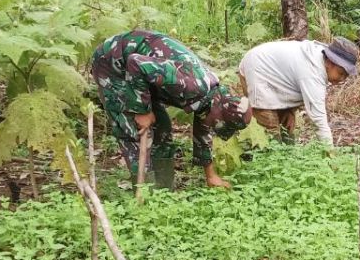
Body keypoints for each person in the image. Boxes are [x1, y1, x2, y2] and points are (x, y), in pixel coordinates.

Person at [91, 29, 252, 189]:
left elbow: (203, 129)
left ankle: (163, 191)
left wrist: (210, 175)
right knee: (135, 130)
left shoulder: (211, 98)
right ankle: (145, 198)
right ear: (218, 116)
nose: (213, 128)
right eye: (218, 126)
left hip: (142, 77)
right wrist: (142, 111)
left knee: (162, 128)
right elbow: (135, 62)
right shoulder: (192, 84)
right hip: (114, 64)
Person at [237, 36, 359, 144]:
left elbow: (292, 78)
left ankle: (287, 159)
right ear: (330, 62)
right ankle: (266, 163)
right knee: (270, 132)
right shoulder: (312, 73)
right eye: (341, 73)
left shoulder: (318, 62)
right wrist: (330, 154)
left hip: (276, 75)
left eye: (346, 75)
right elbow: (319, 121)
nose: (342, 79)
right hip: (257, 69)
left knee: (287, 129)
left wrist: (290, 110)